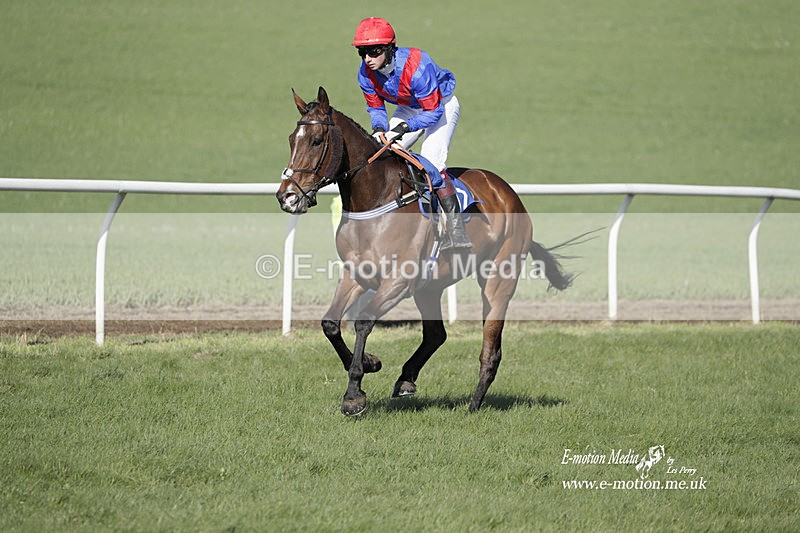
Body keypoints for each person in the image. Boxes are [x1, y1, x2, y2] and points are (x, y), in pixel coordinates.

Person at [352, 17, 471, 250]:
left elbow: (433, 112)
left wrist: (404, 128)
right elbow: (376, 108)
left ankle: (457, 230)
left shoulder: (417, 67)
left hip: (441, 105)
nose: (368, 59)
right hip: (409, 106)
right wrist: (379, 129)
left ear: (389, 48)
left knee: (432, 161)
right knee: (384, 152)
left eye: (374, 51)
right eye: (362, 52)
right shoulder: (365, 73)